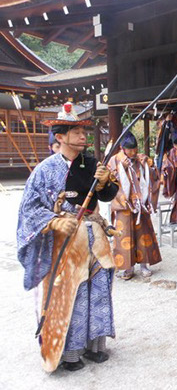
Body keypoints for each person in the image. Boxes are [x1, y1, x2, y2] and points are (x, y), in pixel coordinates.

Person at [17, 102, 119, 372]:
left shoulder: (92, 164)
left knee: (97, 289)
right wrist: (54, 221)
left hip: (93, 236)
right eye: (75, 132)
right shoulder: (45, 170)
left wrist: (105, 182)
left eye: (83, 131)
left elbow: (108, 196)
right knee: (70, 293)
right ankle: (70, 353)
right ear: (60, 137)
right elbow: (29, 208)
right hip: (64, 242)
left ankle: (95, 345)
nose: (83, 136)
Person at [108, 131, 162, 280]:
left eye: (135, 149)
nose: (133, 152)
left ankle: (144, 265)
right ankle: (127, 268)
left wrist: (148, 165)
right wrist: (122, 169)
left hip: (140, 203)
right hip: (123, 204)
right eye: (130, 149)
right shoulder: (114, 160)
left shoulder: (140, 159)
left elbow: (154, 175)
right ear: (122, 148)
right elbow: (108, 180)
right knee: (124, 235)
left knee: (143, 234)